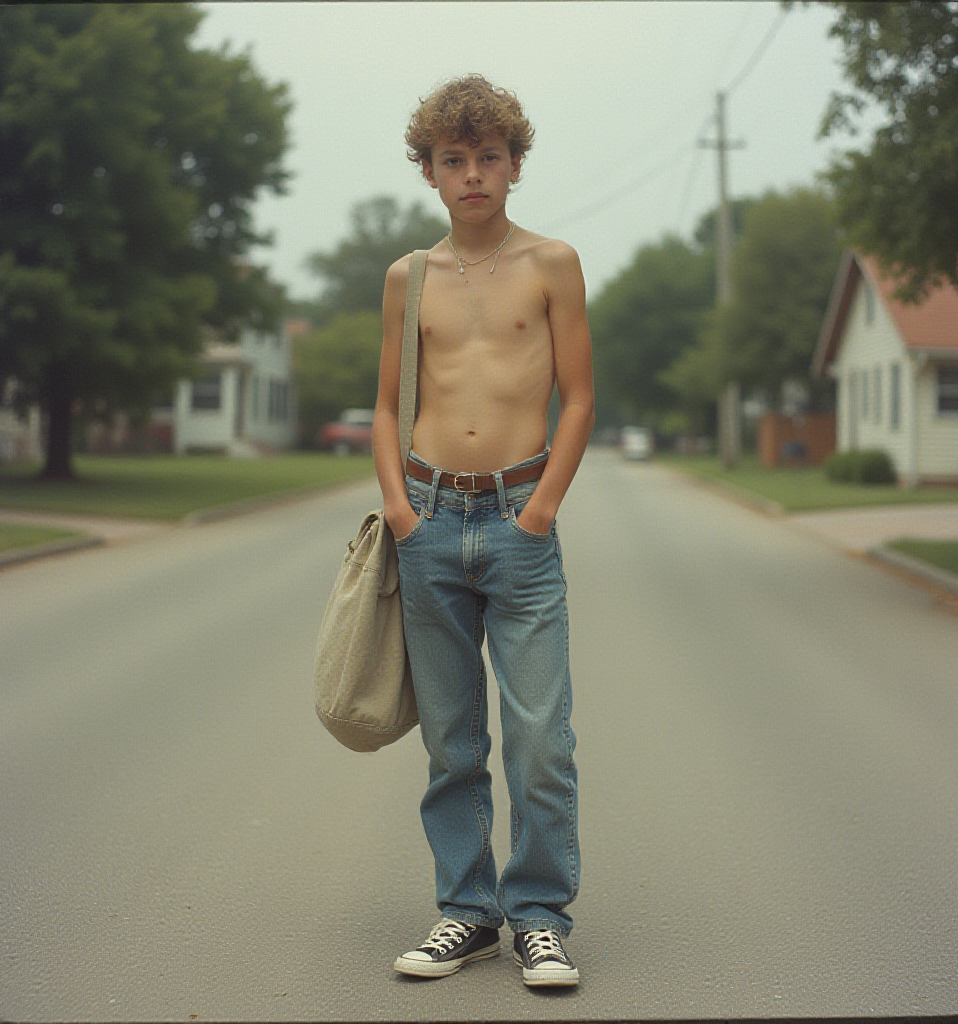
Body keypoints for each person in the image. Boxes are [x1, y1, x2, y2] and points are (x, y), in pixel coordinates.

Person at [371, 74, 595, 988]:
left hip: (518, 521)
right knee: (452, 743)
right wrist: (400, 510)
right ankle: (468, 913)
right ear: (428, 171)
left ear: (514, 165)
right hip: (429, 519)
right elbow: (386, 407)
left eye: (488, 158)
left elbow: (580, 398)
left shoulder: (552, 264)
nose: (472, 174)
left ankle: (539, 917)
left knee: (541, 739)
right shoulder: (408, 278)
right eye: (453, 159)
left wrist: (542, 510)